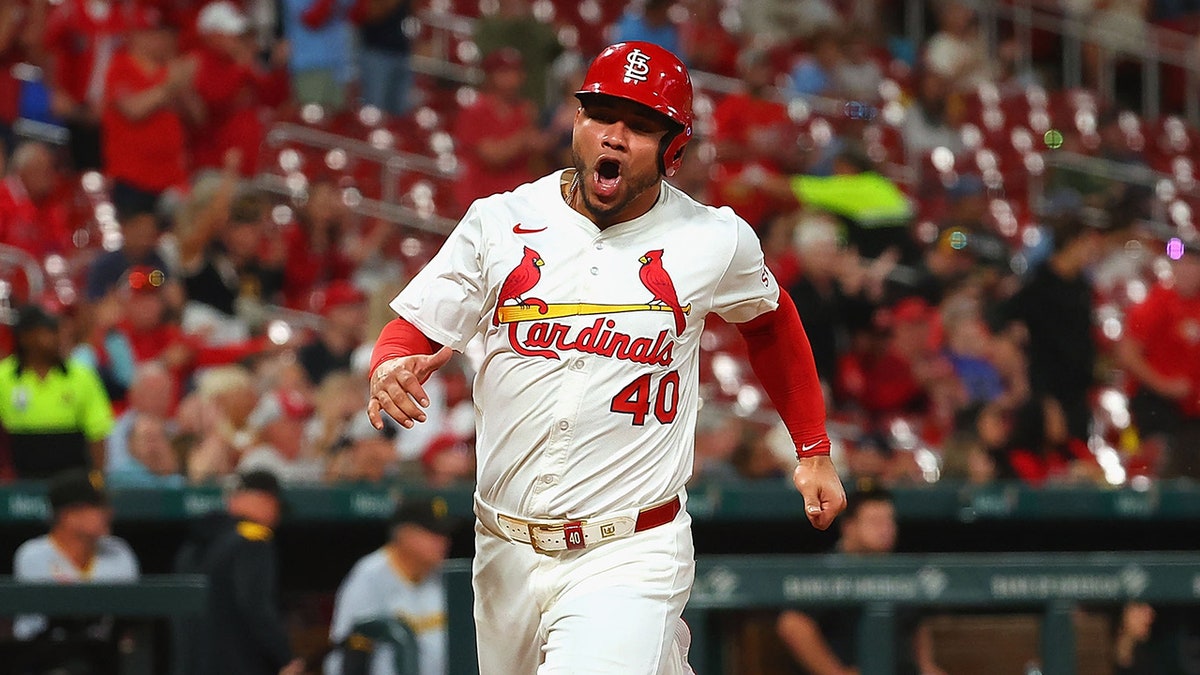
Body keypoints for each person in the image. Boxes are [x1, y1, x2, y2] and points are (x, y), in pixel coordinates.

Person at [367, 41, 846, 674]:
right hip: (503, 547)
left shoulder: (713, 239)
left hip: (630, 547)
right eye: (600, 115)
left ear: (674, 147)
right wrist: (389, 364)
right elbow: (415, 329)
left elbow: (772, 322)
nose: (613, 137)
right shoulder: (500, 221)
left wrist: (812, 447)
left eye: (639, 125)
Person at [776, 486, 947, 675]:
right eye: (875, 522)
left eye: (889, 521)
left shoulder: (900, 569)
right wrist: (835, 673)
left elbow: (915, 623)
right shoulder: (827, 570)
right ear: (849, 527)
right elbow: (793, 623)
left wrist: (925, 665)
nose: (886, 529)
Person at [173, 469, 305, 675]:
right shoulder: (254, 539)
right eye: (276, 506)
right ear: (265, 499)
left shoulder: (192, 545)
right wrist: (285, 657)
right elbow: (255, 604)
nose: (276, 517)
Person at [11, 469, 140, 674]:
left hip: (103, 657)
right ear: (69, 515)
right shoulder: (32, 554)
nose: (109, 513)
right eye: (98, 507)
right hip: (43, 656)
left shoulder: (119, 551)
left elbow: (131, 612)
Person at [325, 497, 457, 675]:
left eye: (445, 534)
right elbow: (348, 650)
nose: (443, 541)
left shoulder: (443, 576)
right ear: (405, 534)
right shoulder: (370, 576)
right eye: (433, 534)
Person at [0, 305, 115, 478]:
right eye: (48, 332)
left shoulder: (81, 376)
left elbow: (97, 433)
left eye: (57, 332)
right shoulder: (4, 378)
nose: (57, 338)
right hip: (20, 478)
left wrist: (97, 478)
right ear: (25, 337)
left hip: (73, 478)